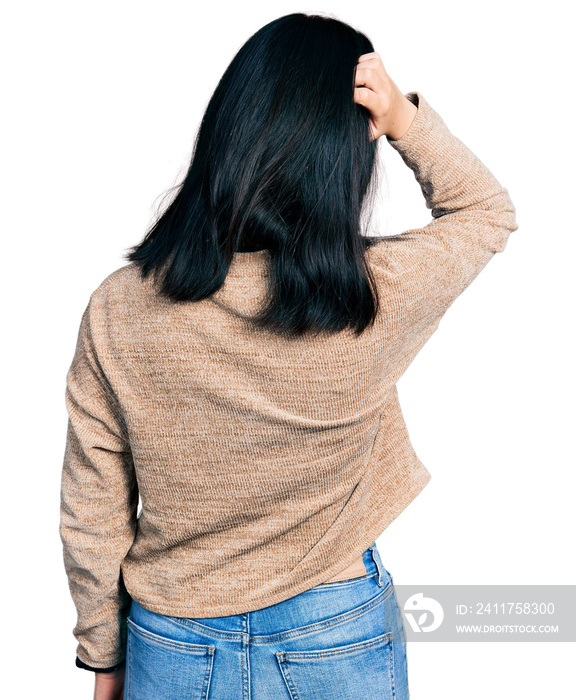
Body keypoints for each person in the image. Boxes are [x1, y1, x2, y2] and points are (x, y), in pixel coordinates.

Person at [59, 12, 519, 700]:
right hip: (334, 627)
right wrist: (403, 118)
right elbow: (485, 211)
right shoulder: (373, 296)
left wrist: (103, 655)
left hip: (173, 640)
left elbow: (92, 499)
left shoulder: (120, 307)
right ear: (343, 151)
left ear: (229, 131)